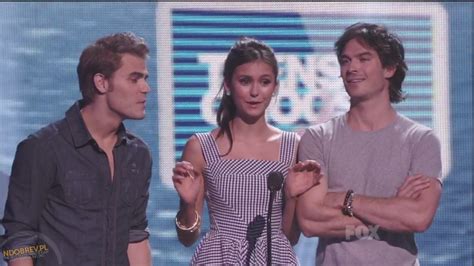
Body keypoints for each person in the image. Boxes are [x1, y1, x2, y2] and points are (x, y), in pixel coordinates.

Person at [296, 22, 443, 266]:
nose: (351, 68)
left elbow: (418, 218)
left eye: (363, 59)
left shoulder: (421, 140)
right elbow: (311, 223)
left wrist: (346, 199)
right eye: (345, 61)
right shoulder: (317, 138)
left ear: (389, 68)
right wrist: (393, 209)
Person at [1, 32, 152, 266]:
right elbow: (17, 238)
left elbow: (135, 234)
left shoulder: (138, 155)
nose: (146, 88)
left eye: (145, 78)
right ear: (101, 82)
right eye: (134, 79)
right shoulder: (42, 149)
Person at [172, 37, 322, 265]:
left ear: (275, 88)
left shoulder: (293, 146)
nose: (255, 92)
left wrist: (291, 196)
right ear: (228, 86)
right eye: (245, 81)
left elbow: (289, 237)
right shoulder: (201, 146)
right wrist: (188, 204)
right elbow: (186, 238)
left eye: (264, 82)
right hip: (218, 258)